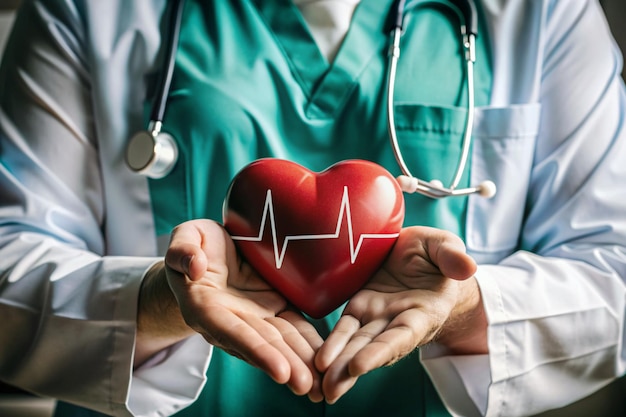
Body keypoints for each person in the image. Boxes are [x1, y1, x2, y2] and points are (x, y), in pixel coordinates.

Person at [0, 0, 625, 416]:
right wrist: (159, 303)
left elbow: (616, 270)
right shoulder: (86, 11)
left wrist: (467, 310)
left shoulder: (545, 13)